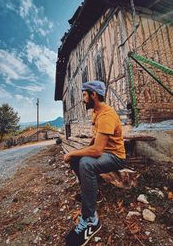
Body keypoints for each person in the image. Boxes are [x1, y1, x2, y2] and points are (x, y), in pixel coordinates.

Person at [63, 80, 126, 246]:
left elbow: (97, 151)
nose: (82, 98)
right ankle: (94, 194)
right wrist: (80, 152)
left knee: (85, 163)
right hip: (105, 152)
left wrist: (72, 152)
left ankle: (91, 220)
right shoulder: (95, 111)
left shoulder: (106, 115)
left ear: (93, 95)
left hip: (115, 157)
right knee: (79, 159)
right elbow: (95, 140)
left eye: (85, 94)